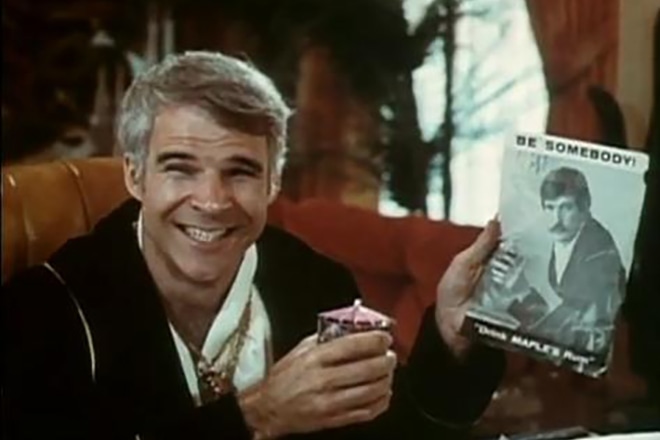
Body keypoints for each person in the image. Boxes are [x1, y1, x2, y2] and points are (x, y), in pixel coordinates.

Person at [1, 51, 505, 440]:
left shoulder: (312, 279)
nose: (212, 201)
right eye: (181, 169)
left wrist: (452, 335)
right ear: (135, 176)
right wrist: (257, 416)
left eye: (240, 172)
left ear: (272, 184)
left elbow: (388, 433)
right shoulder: (42, 311)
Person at [491, 167, 625, 354]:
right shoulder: (570, 237)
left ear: (585, 206)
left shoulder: (598, 256)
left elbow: (570, 335)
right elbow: (566, 314)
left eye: (566, 207)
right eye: (550, 208)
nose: (555, 221)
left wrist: (521, 293)